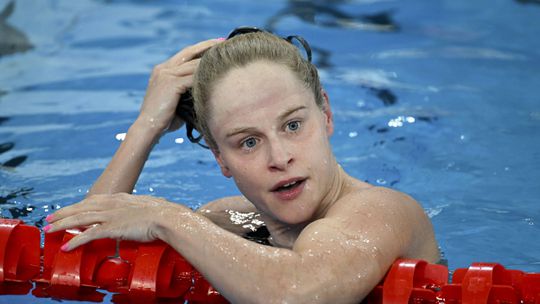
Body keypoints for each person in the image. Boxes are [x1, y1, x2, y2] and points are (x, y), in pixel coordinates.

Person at [45, 28, 440, 303]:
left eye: (293, 125)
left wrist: (169, 219)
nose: (279, 157)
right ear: (221, 159)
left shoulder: (385, 211)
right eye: (248, 142)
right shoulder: (230, 221)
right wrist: (146, 126)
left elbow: (301, 294)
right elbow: (77, 255)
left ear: (327, 115)